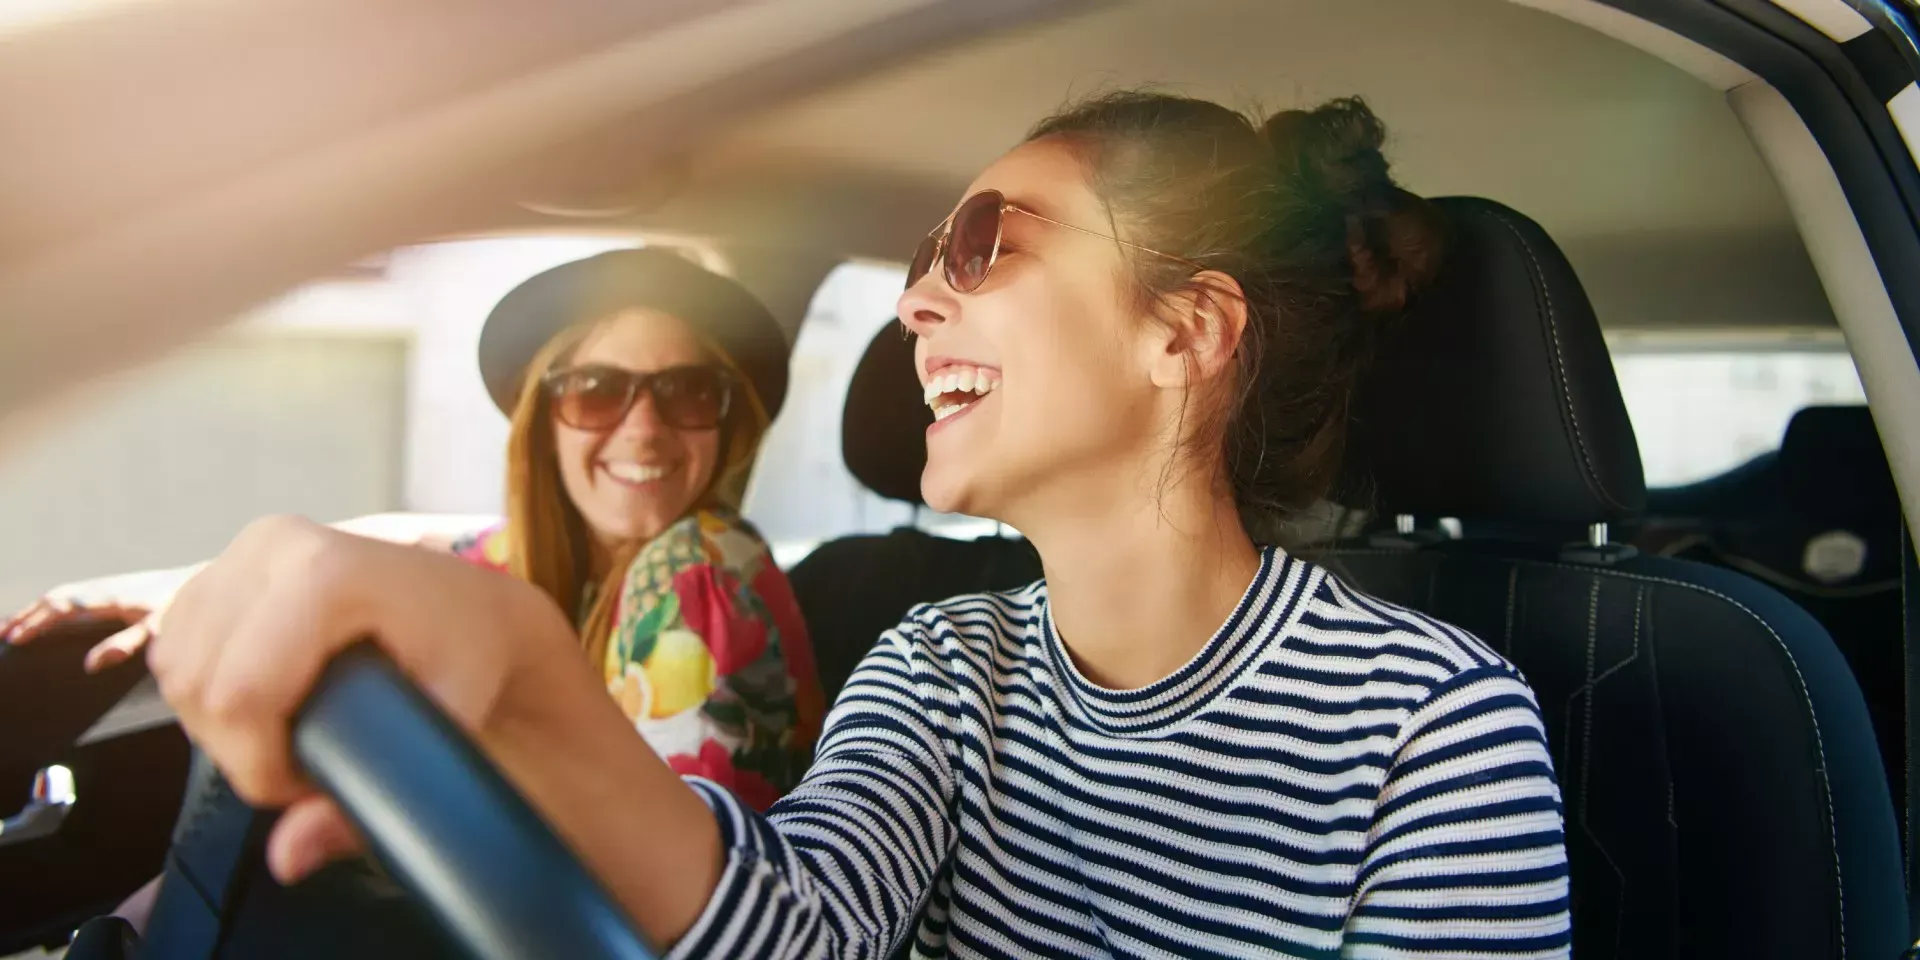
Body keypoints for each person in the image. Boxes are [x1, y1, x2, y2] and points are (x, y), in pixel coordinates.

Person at [143, 93, 1571, 958]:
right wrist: (519, 668)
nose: (912, 304)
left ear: (1184, 332)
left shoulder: (1433, 726)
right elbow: (797, 929)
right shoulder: (942, 667)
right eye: (914, 263)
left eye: (981, 246)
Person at [4, 249, 824, 930]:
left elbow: (666, 902)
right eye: (598, 391)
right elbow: (406, 536)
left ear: (727, 424)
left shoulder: (699, 568)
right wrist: (185, 583)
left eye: (687, 393)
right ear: (545, 419)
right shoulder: (551, 560)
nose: (643, 428)